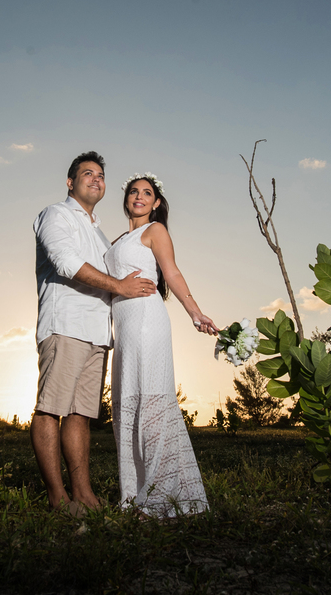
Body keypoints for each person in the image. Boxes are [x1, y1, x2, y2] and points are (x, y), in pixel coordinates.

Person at [32, 151, 154, 514]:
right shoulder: (55, 215)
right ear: (70, 182)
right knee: (50, 410)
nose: (96, 179)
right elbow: (65, 262)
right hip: (65, 325)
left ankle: (83, 494)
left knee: (80, 415)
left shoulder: (100, 235)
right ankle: (58, 498)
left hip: (98, 333)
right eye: (87, 173)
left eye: (101, 175)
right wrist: (119, 285)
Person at [106, 173, 218, 517]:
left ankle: (159, 497)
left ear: (156, 203)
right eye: (134, 191)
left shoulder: (154, 231)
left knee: (151, 404)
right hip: (123, 331)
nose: (139, 196)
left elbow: (172, 273)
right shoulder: (117, 240)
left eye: (147, 193)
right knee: (126, 406)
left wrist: (195, 313)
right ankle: (133, 495)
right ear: (126, 198)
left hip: (145, 323)